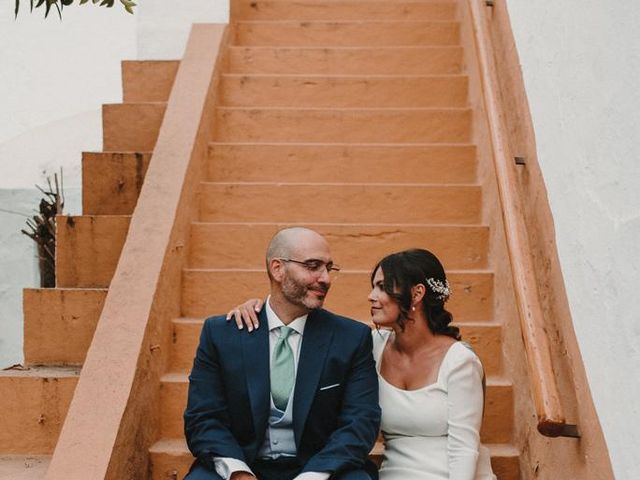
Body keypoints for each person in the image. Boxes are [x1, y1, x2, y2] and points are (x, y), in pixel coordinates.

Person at [229, 248, 497, 480]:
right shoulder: (372, 345)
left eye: (382, 286)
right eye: (373, 286)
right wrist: (260, 310)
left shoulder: (460, 361)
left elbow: (464, 448)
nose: (371, 296)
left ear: (416, 294)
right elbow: (311, 327)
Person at [184, 227, 381, 480]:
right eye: (313, 266)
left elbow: (361, 422)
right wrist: (238, 472)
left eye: (328, 268)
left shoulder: (351, 338)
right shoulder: (222, 334)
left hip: (320, 467)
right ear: (277, 269)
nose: (325, 278)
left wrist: (313, 476)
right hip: (244, 463)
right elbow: (202, 417)